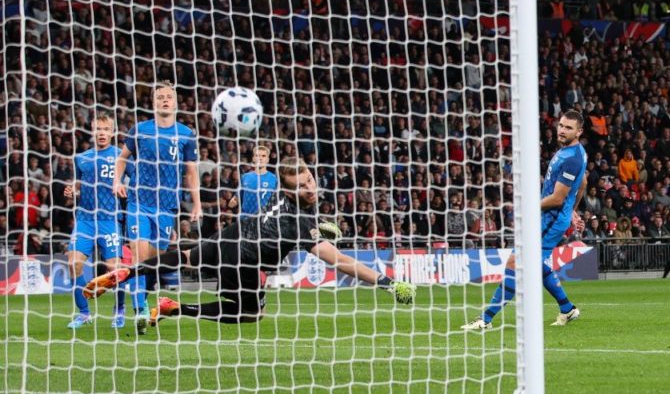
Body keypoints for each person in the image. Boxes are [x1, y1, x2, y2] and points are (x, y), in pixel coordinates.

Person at [85, 157, 415, 325]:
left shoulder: (278, 198)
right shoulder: (299, 222)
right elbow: (339, 261)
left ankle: (129, 272)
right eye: (302, 186)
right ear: (289, 191)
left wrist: (322, 228)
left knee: (185, 257)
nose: (310, 188)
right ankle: (176, 308)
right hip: (245, 261)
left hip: (233, 235)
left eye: (310, 180)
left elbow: (298, 228)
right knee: (251, 314)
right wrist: (387, 282)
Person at [461, 110, 587, 330]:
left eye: (568, 127)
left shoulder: (573, 158)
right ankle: (567, 308)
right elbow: (583, 182)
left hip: (551, 218)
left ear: (579, 131)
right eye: (561, 125)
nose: (562, 130)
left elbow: (557, 198)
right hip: (551, 216)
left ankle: (486, 319)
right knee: (536, 265)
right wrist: (573, 211)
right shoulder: (571, 152)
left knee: (515, 262)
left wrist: (533, 207)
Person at [113, 81, 201, 334]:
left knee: (153, 261)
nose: (164, 100)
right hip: (139, 202)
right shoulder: (139, 130)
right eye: (160, 97)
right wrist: (116, 181)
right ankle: (139, 309)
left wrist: (195, 203)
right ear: (153, 102)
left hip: (167, 207)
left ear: (175, 102)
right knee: (139, 256)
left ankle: (143, 298)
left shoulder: (186, 134)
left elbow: (191, 171)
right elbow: (122, 158)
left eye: (168, 97)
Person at [64, 113, 127, 329]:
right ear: (93, 131)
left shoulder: (121, 156)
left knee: (115, 269)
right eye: (98, 129)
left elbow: (135, 181)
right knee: (73, 263)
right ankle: (83, 314)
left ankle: (119, 310)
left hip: (109, 219)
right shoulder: (81, 158)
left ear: (112, 132)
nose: (101, 133)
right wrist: (73, 188)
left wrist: (127, 188)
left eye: (105, 129)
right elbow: (78, 182)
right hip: (85, 219)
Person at [229, 145, 278, 217]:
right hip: (245, 220)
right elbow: (237, 197)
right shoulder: (245, 177)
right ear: (253, 159)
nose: (260, 158)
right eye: (257, 156)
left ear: (267, 159)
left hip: (265, 221)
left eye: (263, 156)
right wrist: (233, 201)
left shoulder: (274, 179)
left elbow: (277, 201)